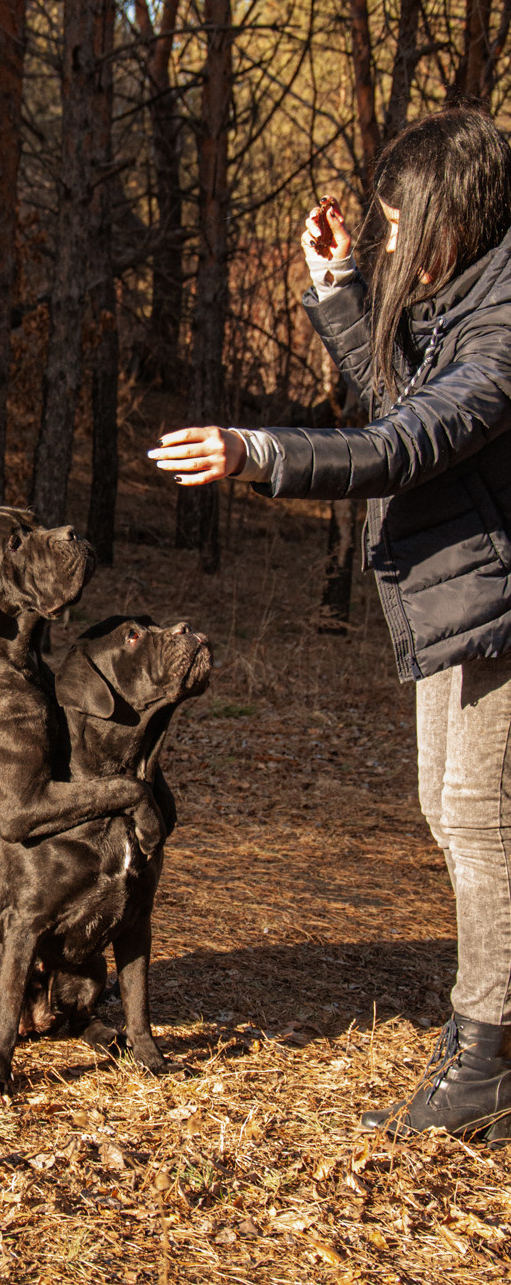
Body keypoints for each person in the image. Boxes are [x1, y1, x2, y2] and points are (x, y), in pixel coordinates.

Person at [148, 106, 511, 1142]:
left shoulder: (505, 314)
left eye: (400, 226)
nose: (392, 242)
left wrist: (259, 453)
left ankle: (488, 1050)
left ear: (459, 210)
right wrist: (339, 288)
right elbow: (395, 395)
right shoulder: (461, 298)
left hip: (499, 597)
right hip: (459, 586)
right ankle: (491, 1027)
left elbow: (405, 443)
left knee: (483, 820)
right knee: (450, 813)